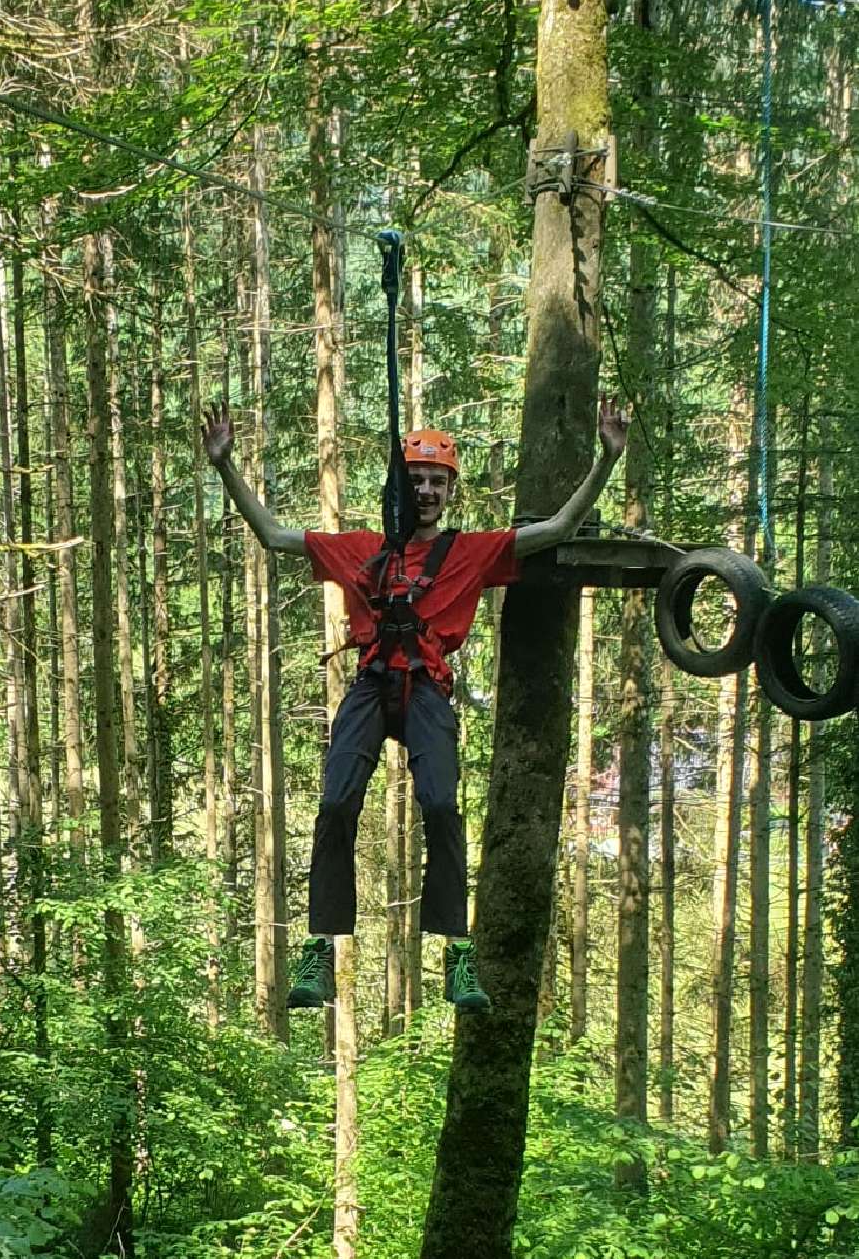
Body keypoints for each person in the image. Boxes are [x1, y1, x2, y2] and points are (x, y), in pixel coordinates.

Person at [202, 397, 630, 1011]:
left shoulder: (470, 552)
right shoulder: (359, 548)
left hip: (427, 687)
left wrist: (608, 458)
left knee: (440, 803)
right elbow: (273, 536)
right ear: (399, 486)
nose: (425, 490)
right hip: (373, 684)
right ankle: (321, 947)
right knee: (336, 798)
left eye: (436, 481)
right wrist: (225, 467)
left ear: (449, 491)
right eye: (416, 479)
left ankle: (459, 953)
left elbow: (559, 528)